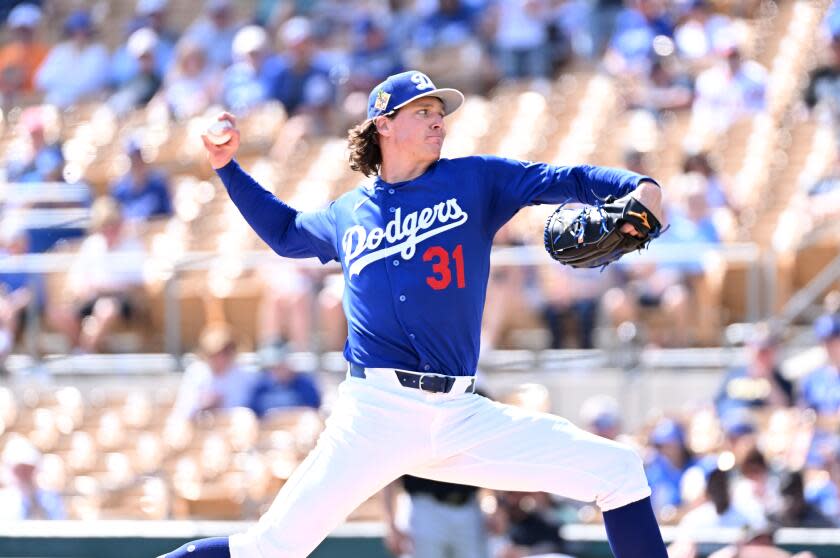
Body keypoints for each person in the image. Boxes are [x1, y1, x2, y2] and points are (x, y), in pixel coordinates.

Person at [161, 69, 668, 558]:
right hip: (374, 414)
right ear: (383, 123)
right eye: (423, 110)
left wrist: (638, 185)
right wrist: (228, 167)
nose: (437, 121)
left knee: (619, 471)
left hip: (461, 412)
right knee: (269, 550)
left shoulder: (475, 180)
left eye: (440, 113)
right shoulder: (347, 212)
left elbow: (563, 178)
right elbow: (285, 233)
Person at [383, 475, 487, 558]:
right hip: (423, 507)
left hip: (469, 507)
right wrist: (391, 524)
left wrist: (498, 503)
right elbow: (389, 469)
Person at [171, 323, 258, 420]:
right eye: (214, 353)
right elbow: (181, 410)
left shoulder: (242, 375)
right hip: (198, 427)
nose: (220, 358)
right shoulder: (196, 372)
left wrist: (220, 404)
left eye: (226, 351)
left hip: (229, 427)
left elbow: (243, 408)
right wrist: (200, 403)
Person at [248, 340, 321, 417]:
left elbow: (313, 410)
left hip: (297, 425)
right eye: (275, 367)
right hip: (268, 426)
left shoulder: (305, 384)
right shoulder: (261, 385)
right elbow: (253, 412)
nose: (279, 370)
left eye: (282, 365)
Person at [0, 435, 65, 520]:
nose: (24, 475)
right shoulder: (3, 502)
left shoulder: (48, 499)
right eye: (19, 470)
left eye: (28, 469)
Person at [109, 137, 172, 221]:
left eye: (140, 157)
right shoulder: (119, 189)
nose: (137, 162)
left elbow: (168, 215)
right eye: (133, 158)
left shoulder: (158, 185)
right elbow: (115, 220)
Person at [0, 3, 48, 107]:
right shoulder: (5, 53)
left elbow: (43, 88)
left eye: (26, 29)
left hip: (34, 104)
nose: (22, 33)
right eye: (19, 29)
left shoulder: (45, 54)